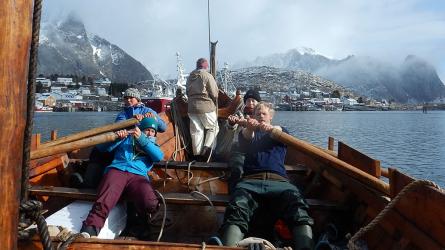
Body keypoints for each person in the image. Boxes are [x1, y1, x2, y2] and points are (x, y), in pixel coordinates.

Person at [217, 102, 314, 250]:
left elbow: (280, 130)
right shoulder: (248, 133)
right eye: (257, 114)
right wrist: (249, 127)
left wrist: (272, 129)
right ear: (252, 117)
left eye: (264, 114)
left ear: (271, 117)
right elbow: (245, 137)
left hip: (280, 183)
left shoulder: (280, 132)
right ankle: (228, 246)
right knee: (238, 207)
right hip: (250, 182)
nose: (261, 116)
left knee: (297, 205)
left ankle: (306, 246)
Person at [80, 117, 164, 237]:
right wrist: (117, 138)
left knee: (150, 203)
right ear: (140, 129)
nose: (150, 133)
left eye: (152, 131)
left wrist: (142, 139)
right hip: (117, 170)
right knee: (105, 199)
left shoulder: (152, 145)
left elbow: (158, 156)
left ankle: (144, 224)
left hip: (138, 175)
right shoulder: (126, 139)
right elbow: (101, 148)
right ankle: (90, 228)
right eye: (147, 130)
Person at [215, 89, 261, 192]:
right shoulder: (238, 115)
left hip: (257, 149)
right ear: (245, 102)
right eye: (248, 100)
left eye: (253, 100)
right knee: (237, 169)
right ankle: (233, 192)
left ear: (258, 103)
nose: (251, 103)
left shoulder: (261, 116)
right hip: (239, 149)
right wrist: (232, 124)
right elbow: (230, 129)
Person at [186, 58, 219, 161]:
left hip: (191, 108)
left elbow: (187, 92)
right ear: (205, 66)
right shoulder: (207, 76)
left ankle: (197, 156)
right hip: (206, 107)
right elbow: (214, 93)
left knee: (197, 131)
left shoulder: (190, 77)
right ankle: (206, 149)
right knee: (213, 128)